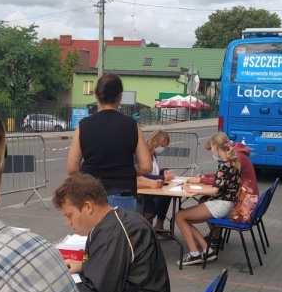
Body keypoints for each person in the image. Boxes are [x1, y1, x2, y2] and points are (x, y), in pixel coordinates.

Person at [67, 73, 153, 210]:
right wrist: (127, 171)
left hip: (91, 195)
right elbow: (146, 166)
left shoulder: (84, 125)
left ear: (96, 95)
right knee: (121, 231)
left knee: (94, 232)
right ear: (120, 96)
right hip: (123, 193)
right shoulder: (131, 125)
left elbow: (72, 168)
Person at [174, 132, 242, 266]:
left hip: (220, 204)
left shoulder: (224, 165)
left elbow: (214, 190)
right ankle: (206, 250)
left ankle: (194, 254)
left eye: (211, 146)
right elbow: (219, 183)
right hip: (226, 204)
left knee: (180, 216)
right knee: (184, 218)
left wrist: (190, 189)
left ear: (216, 146)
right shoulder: (232, 163)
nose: (211, 149)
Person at [137, 130, 176, 232]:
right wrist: (163, 178)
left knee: (167, 195)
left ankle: (159, 225)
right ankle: (150, 224)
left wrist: (164, 171)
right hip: (144, 189)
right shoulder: (141, 154)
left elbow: (154, 171)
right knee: (161, 197)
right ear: (155, 141)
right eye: (162, 145)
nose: (162, 148)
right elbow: (142, 174)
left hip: (154, 186)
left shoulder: (153, 154)